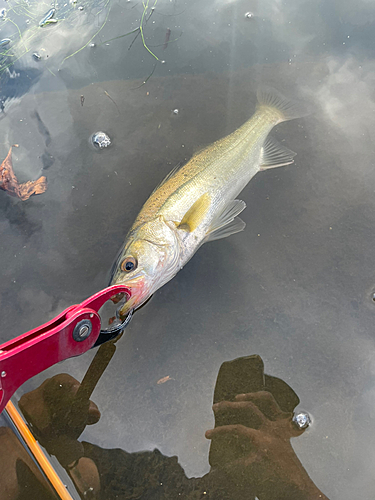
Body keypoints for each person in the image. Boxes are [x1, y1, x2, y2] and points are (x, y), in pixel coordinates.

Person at [13, 355, 329, 500]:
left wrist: (298, 488)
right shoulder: (157, 476)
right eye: (241, 415)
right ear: (220, 413)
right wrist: (45, 438)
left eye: (267, 428)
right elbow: (83, 476)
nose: (253, 436)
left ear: (290, 444)